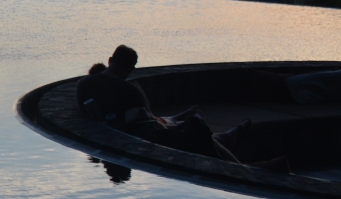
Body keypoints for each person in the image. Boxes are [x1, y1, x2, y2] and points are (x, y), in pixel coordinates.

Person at [77, 45, 249, 161]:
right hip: (142, 139)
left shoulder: (83, 84)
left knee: (192, 129)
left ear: (109, 60)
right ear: (131, 69)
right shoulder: (129, 91)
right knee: (197, 128)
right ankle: (236, 164)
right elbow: (150, 125)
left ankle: (225, 139)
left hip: (111, 132)